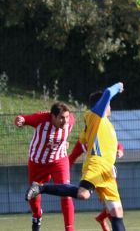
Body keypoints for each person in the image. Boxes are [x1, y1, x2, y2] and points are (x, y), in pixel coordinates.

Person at [25, 82, 126, 231]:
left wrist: (118, 150)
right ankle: (41, 188)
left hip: (108, 172)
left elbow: (88, 141)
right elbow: (107, 93)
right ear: (103, 105)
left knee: (117, 213)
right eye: (108, 104)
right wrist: (118, 86)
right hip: (97, 165)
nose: (110, 107)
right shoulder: (95, 117)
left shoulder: (106, 125)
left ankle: (41, 188)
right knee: (83, 194)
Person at [14, 102, 75, 231]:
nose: (65, 121)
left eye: (67, 117)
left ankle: (69, 229)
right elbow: (24, 118)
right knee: (33, 197)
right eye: (62, 118)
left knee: (66, 191)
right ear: (52, 116)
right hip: (37, 163)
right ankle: (37, 215)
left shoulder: (70, 121)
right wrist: (20, 120)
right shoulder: (41, 119)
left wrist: (65, 143)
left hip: (59, 161)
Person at [69, 139, 124, 231]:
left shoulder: (103, 134)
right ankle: (101, 219)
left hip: (108, 174)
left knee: (112, 206)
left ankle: (101, 219)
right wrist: (64, 170)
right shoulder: (84, 140)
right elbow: (72, 157)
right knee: (112, 207)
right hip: (94, 175)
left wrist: (120, 150)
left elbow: (117, 144)